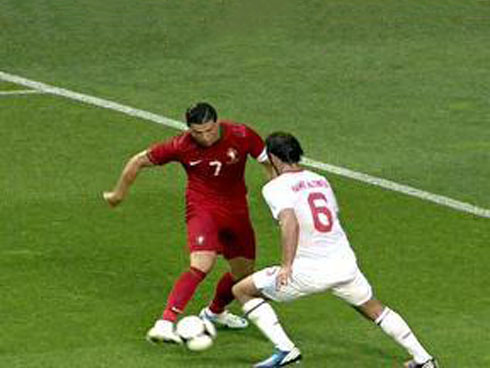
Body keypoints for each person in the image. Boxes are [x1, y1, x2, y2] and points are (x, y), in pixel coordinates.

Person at [232, 132, 439, 368]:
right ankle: (424, 359)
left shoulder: (274, 187)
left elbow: (290, 222)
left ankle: (285, 349)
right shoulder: (321, 179)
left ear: (274, 158)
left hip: (307, 271)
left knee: (243, 291)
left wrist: (287, 265)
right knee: (374, 309)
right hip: (344, 265)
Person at [103, 102, 272, 344]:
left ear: (217, 122)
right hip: (203, 209)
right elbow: (138, 161)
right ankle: (164, 323)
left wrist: (280, 199)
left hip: (237, 212)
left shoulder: (242, 134)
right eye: (197, 132)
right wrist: (118, 194)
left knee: (243, 273)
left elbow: (267, 162)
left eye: (209, 130)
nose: (204, 137)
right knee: (201, 264)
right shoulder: (180, 145)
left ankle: (214, 313)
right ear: (189, 130)